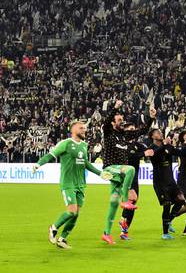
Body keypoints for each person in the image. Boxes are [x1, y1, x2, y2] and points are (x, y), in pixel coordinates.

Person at [33, 121, 111, 249]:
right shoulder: (66, 143)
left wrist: (100, 173)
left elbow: (86, 163)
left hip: (81, 184)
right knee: (71, 211)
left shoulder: (84, 145)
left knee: (76, 214)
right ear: (73, 129)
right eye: (81, 128)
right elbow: (50, 155)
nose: (84, 130)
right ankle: (53, 228)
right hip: (68, 183)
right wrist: (38, 164)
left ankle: (62, 239)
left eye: (85, 128)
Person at [100, 100, 156, 244]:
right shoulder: (108, 133)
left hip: (119, 175)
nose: (121, 121)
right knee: (130, 169)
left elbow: (142, 130)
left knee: (113, 204)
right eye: (118, 120)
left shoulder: (124, 136)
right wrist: (115, 108)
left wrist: (151, 118)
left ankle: (106, 233)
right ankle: (125, 201)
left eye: (121, 120)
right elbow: (106, 123)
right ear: (113, 123)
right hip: (111, 168)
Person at [148, 129, 186, 239]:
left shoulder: (168, 146)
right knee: (166, 205)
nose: (160, 133)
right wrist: (165, 145)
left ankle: (169, 219)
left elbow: (182, 153)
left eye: (161, 132)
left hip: (171, 181)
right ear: (152, 136)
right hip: (160, 183)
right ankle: (165, 233)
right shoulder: (151, 148)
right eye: (157, 132)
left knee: (181, 200)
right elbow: (155, 156)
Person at [119, 122, 154, 240]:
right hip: (125, 176)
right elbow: (129, 156)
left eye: (134, 129)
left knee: (133, 204)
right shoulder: (122, 144)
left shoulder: (138, 145)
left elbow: (150, 150)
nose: (132, 131)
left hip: (135, 177)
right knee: (131, 199)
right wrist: (144, 153)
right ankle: (122, 224)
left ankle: (124, 230)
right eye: (130, 129)